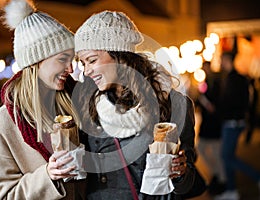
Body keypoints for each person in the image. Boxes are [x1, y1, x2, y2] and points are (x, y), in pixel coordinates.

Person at [71, 10, 205, 200]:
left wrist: (181, 172)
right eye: (83, 63)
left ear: (120, 56)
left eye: (92, 60)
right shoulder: (88, 103)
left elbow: (186, 184)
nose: (87, 71)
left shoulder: (175, 104)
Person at [0, 0, 85, 199]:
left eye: (71, 59)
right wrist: (48, 176)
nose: (71, 69)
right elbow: (6, 194)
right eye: (62, 59)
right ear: (36, 61)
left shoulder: (78, 101)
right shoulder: (3, 125)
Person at [215, 52, 260, 200]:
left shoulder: (233, 79)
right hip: (235, 121)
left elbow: (231, 102)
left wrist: (221, 110)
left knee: (226, 157)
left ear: (227, 60)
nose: (220, 62)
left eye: (222, 59)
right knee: (228, 157)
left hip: (232, 122)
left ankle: (255, 177)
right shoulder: (236, 78)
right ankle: (231, 190)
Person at [196, 61, 226, 195]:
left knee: (217, 153)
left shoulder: (216, 82)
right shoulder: (207, 81)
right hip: (207, 124)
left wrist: (208, 104)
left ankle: (222, 181)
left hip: (214, 124)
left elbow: (216, 104)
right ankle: (217, 175)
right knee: (201, 149)